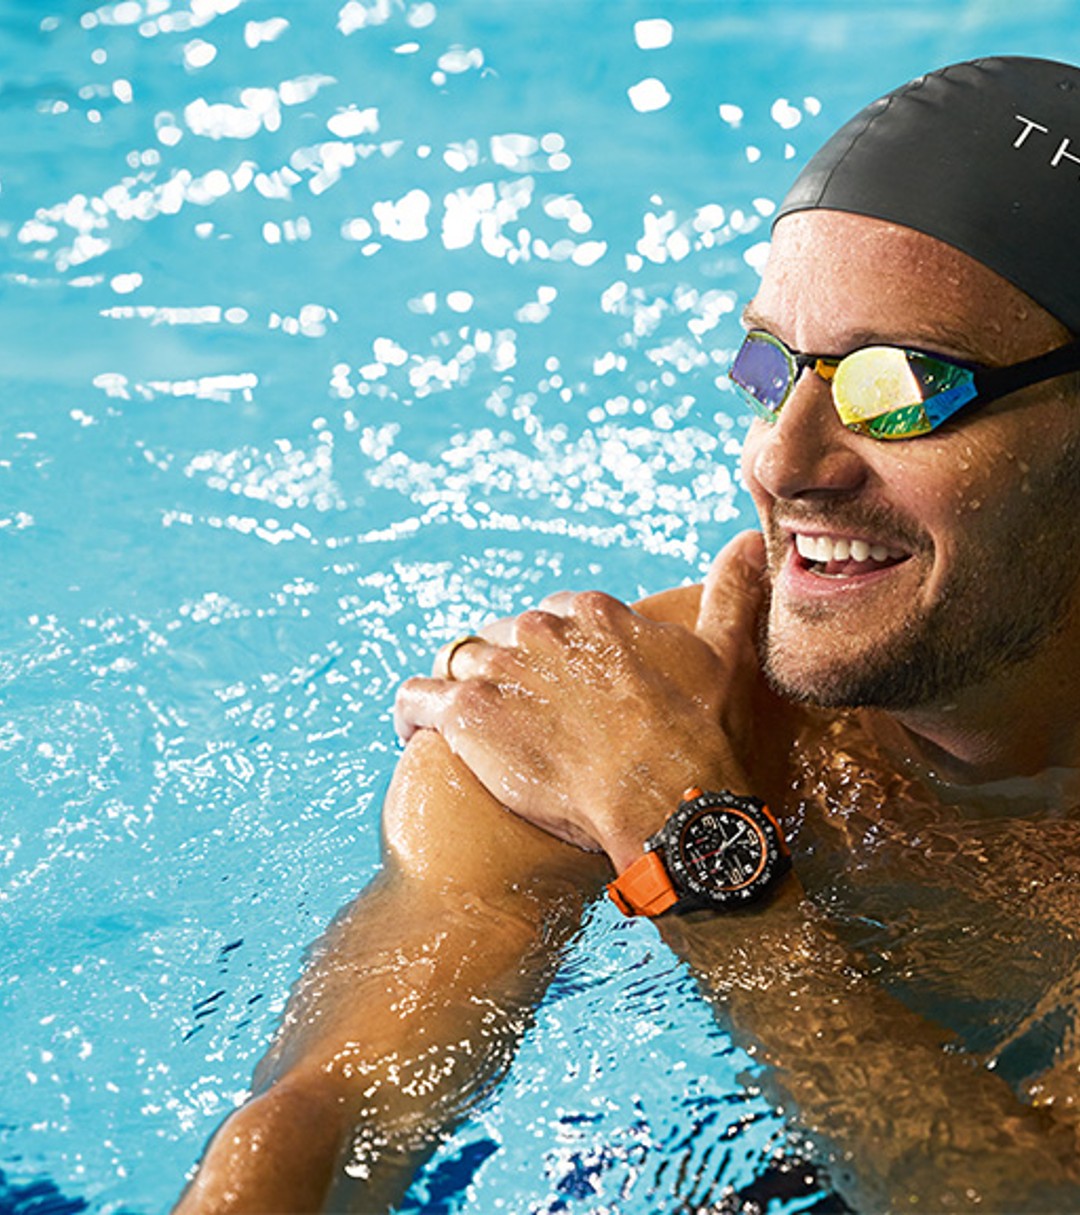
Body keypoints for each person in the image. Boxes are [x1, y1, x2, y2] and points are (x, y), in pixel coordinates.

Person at [175, 56, 1080, 1213]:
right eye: (773, 368)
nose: (779, 461)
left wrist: (688, 844)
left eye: (901, 385)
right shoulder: (607, 713)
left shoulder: (647, 767)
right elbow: (325, 1120)